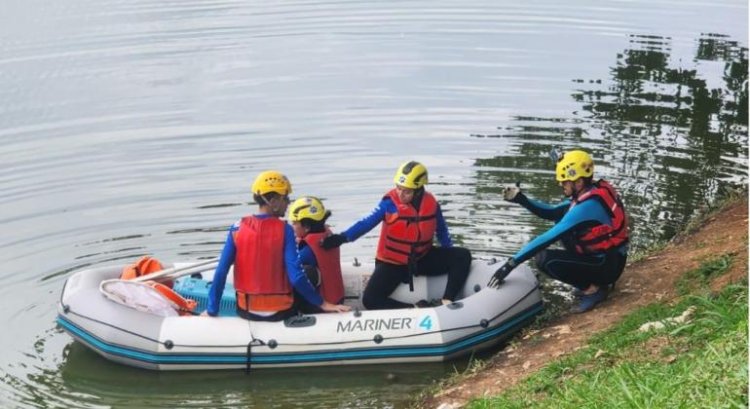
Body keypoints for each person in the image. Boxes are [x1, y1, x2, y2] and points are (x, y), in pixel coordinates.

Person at [488, 150, 629, 313]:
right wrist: (521, 199)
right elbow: (552, 212)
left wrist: (510, 265)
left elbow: (548, 237)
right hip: (610, 259)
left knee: (544, 259)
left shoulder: (587, 207)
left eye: (564, 181)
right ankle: (593, 281)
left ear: (578, 182)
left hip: (607, 266)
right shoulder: (591, 192)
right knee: (560, 221)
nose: (561, 184)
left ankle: (593, 290)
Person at [322, 161, 472, 310]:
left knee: (462, 255)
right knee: (370, 300)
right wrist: (341, 238)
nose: (400, 194)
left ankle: (447, 301)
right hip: (393, 263)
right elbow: (366, 224)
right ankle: (415, 307)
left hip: (421, 258)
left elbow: (442, 231)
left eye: (406, 191)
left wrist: (448, 252)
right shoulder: (389, 204)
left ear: (418, 190)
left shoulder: (431, 203)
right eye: (398, 188)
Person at [203, 171, 350, 321]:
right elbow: (297, 277)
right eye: (285, 198)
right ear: (272, 201)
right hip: (281, 311)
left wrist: (211, 310)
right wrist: (323, 304)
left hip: (246, 311)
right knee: (308, 272)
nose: (288, 203)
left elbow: (221, 271)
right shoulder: (286, 230)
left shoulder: (237, 228)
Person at [288, 196, 346, 313]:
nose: (292, 227)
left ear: (307, 227)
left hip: (321, 304)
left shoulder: (308, 251)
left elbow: (291, 273)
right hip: (337, 297)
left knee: (299, 272)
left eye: (294, 223)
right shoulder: (326, 234)